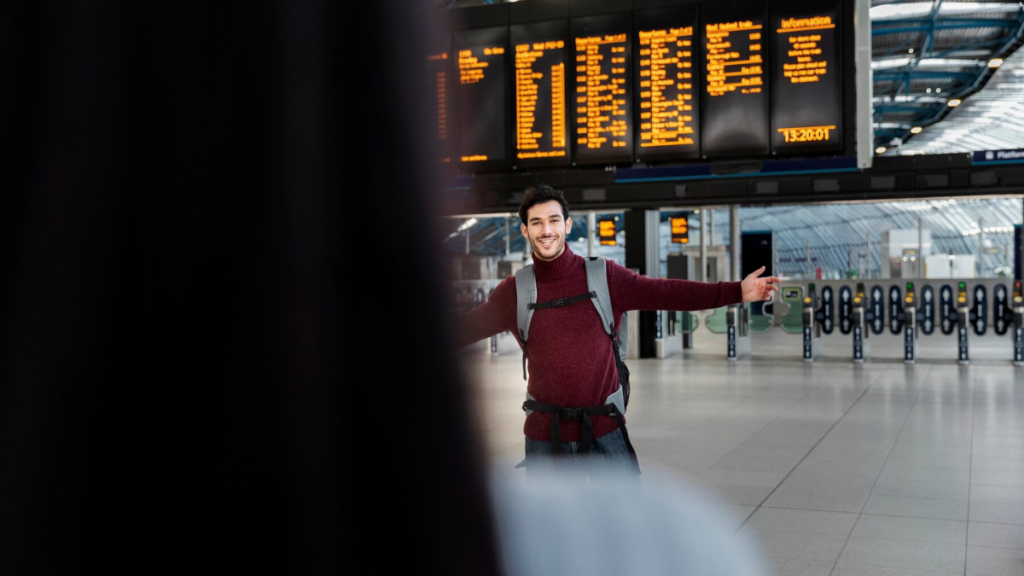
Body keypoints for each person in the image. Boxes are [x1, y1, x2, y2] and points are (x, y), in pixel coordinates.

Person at [456, 184, 779, 475]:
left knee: (622, 531)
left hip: (605, 431)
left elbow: (668, 293)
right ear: (525, 231)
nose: (546, 230)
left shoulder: (605, 276)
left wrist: (737, 291)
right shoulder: (514, 290)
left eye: (554, 220)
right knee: (553, 537)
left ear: (567, 225)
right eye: (537, 223)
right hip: (545, 438)